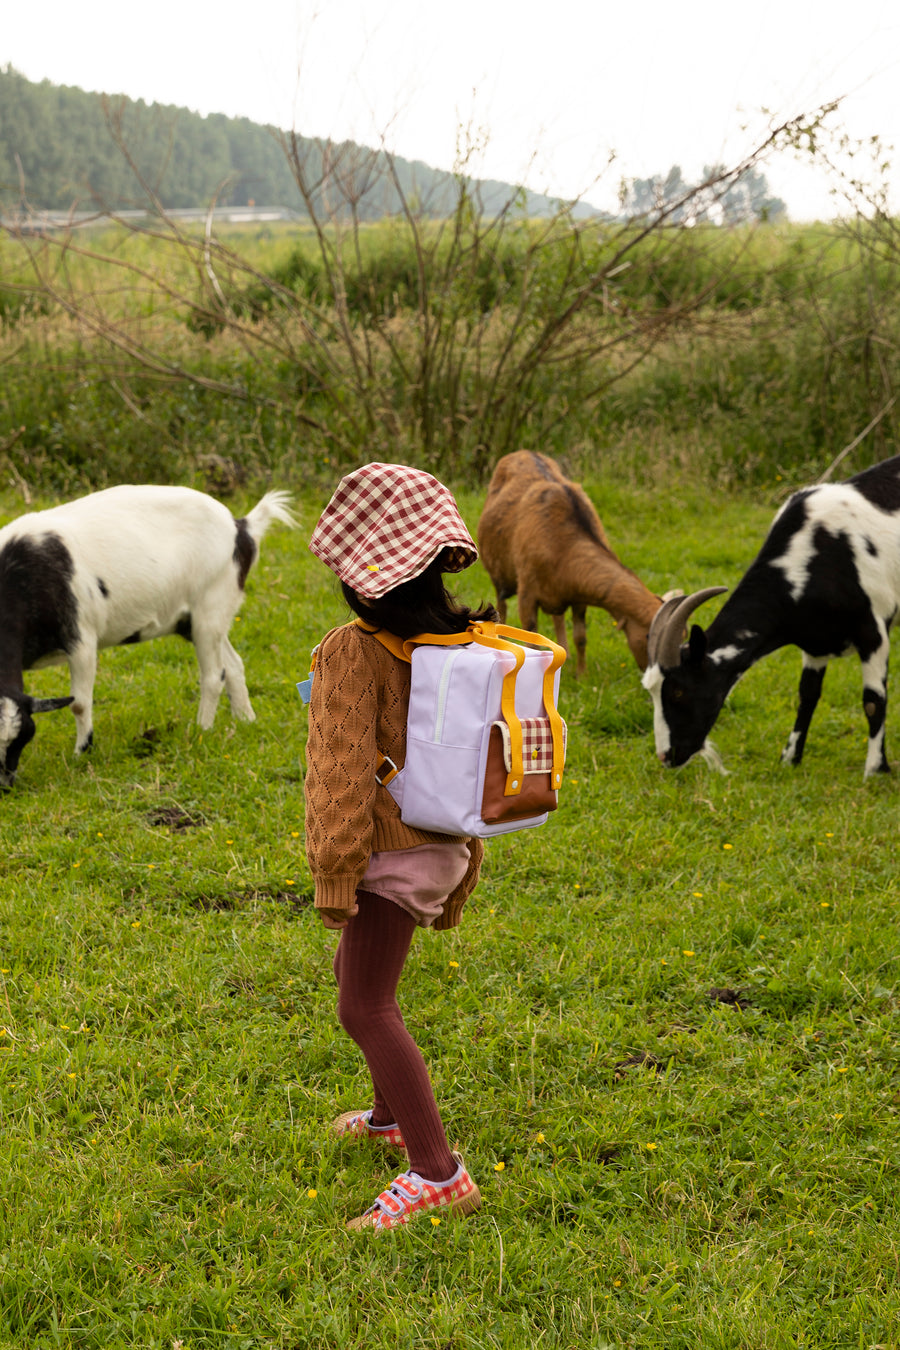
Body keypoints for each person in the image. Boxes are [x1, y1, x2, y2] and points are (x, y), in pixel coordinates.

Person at [304, 462, 497, 1233]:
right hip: (445, 841)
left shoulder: (353, 651)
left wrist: (335, 871)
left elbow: (339, 776)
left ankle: (436, 1170)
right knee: (359, 975)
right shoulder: (463, 638)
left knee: (364, 1004)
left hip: (388, 850)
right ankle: (388, 1117)